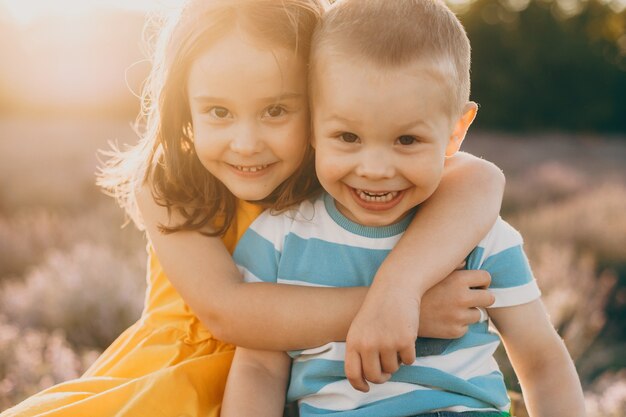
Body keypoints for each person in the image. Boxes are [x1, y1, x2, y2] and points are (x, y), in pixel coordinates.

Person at [0, 1, 505, 416]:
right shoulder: (167, 183)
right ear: (185, 108)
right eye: (218, 112)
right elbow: (227, 312)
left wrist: (402, 287)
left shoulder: (339, 170)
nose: (246, 143)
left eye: (276, 110)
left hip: (294, 378)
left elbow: (482, 179)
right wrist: (400, 309)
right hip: (176, 380)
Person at [221, 1, 587, 416]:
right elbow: (258, 369)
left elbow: (541, 361)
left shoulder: (478, 237)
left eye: (407, 140)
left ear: (456, 131)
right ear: (312, 125)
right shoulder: (279, 239)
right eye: (347, 136)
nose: (375, 169)